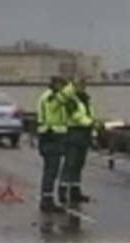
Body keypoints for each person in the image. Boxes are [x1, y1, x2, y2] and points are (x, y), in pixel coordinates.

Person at [59, 76, 96, 205]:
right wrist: (92, 123)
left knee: (79, 164)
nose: (83, 86)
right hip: (73, 132)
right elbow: (76, 116)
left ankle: (75, 191)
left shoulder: (85, 100)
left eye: (84, 84)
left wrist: (93, 130)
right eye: (80, 84)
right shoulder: (71, 99)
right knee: (70, 163)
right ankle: (62, 190)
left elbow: (89, 114)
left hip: (84, 134)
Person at [35, 75, 69, 213]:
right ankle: (47, 201)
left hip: (50, 135)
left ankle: (47, 199)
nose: (63, 88)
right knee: (51, 171)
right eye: (62, 85)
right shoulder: (51, 97)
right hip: (51, 135)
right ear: (56, 84)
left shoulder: (46, 96)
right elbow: (58, 104)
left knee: (51, 171)